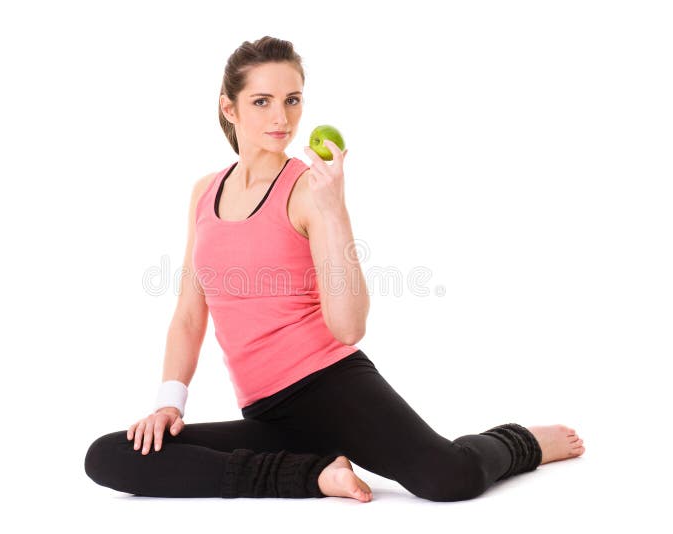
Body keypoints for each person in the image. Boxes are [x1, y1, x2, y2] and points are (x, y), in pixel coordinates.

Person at [84, 36, 585, 502]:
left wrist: (333, 210)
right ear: (228, 106)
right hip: (265, 409)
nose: (282, 117)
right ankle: (316, 473)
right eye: (262, 101)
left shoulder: (307, 189)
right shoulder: (204, 192)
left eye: (293, 99)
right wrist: (170, 402)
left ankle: (525, 443)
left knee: (448, 477)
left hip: (332, 386)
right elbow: (190, 315)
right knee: (111, 457)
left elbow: (349, 326)